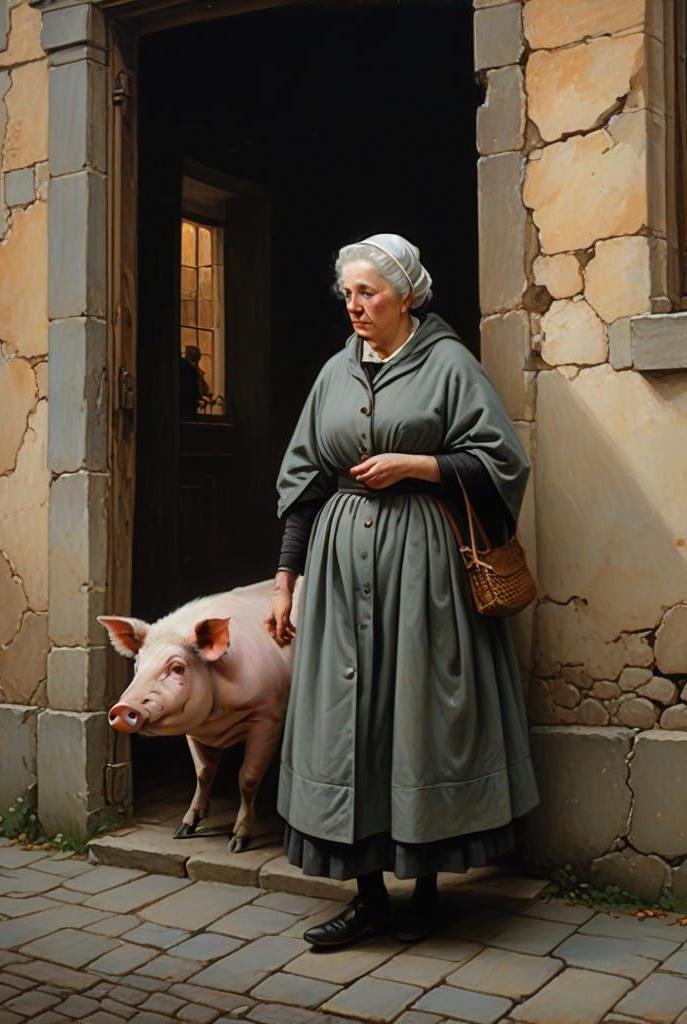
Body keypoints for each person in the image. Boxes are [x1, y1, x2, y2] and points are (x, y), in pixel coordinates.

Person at [264, 233, 539, 949]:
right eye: (348, 294)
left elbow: (502, 460)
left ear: (406, 294)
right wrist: (285, 580)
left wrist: (416, 465)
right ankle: (367, 898)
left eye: (369, 293)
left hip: (425, 572)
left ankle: (422, 891)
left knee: (416, 715)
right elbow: (305, 484)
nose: (355, 305)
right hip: (339, 569)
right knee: (346, 721)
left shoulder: (449, 364)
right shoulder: (334, 374)